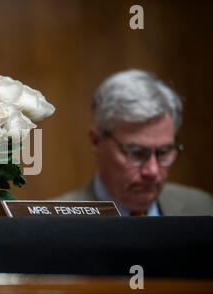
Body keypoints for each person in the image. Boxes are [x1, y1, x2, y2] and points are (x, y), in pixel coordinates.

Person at [56, 69, 212, 216]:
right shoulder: (54, 221)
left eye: (164, 152)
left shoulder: (202, 208)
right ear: (96, 141)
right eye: (136, 152)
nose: (152, 171)